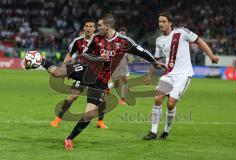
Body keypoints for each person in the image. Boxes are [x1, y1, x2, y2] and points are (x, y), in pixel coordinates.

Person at [26, 14, 166, 151]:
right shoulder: (97, 38)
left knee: (89, 114)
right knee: (56, 73)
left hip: (100, 81)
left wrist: (155, 62)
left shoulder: (124, 41)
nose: (96, 28)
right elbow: (85, 54)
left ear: (108, 26)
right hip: (86, 69)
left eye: (99, 26)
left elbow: (142, 51)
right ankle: (39, 58)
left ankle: (69, 139)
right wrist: (98, 57)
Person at [143, 12, 219, 140]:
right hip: (168, 74)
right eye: (159, 22)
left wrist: (211, 56)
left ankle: (166, 129)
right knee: (157, 99)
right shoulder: (159, 40)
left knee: (171, 104)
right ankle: (153, 131)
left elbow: (199, 41)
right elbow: (156, 60)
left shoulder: (182, 32)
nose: (161, 24)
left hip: (183, 75)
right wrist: (150, 74)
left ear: (170, 23)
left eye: (163, 21)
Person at [50, 19, 108, 129]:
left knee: (103, 98)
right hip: (81, 72)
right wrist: (64, 70)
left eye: (91, 26)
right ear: (83, 28)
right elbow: (69, 55)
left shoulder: (100, 40)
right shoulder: (77, 41)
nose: (88, 28)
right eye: (86, 26)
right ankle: (58, 119)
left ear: (94, 28)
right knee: (73, 96)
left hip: (96, 74)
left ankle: (100, 122)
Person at [107, 27, 129, 105]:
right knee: (125, 81)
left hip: (122, 65)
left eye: (124, 34)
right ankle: (122, 99)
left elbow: (126, 54)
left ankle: (107, 88)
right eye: (121, 34)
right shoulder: (114, 42)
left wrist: (127, 58)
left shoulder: (127, 42)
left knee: (117, 83)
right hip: (116, 65)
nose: (122, 35)